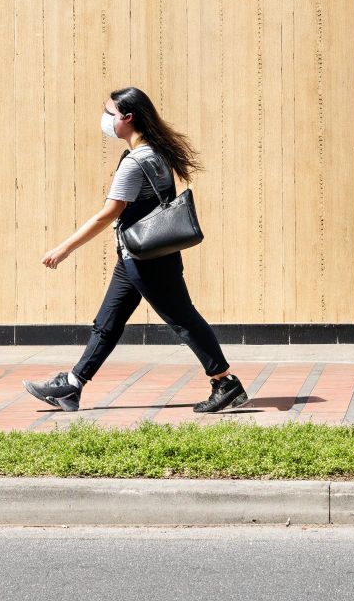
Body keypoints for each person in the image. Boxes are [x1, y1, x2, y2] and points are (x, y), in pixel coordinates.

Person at [23, 86, 248, 415]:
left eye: (109, 114)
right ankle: (72, 385)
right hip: (138, 255)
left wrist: (64, 249)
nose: (104, 119)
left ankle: (225, 382)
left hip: (146, 260)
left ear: (128, 118)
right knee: (108, 322)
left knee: (183, 318)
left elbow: (108, 213)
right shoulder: (157, 152)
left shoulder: (135, 163)